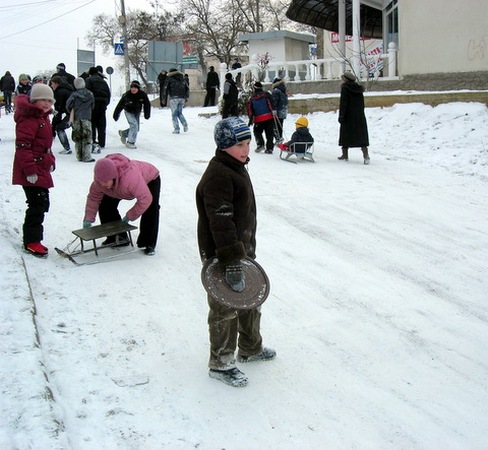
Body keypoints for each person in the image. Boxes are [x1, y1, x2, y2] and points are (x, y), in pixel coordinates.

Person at [196, 117, 276, 387]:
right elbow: (220, 221)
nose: (246, 149)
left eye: (247, 142)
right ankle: (221, 363)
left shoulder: (235, 166)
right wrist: (230, 261)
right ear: (224, 146)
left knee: (251, 298)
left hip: (240, 250)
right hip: (223, 254)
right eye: (239, 144)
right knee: (224, 307)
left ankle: (251, 347)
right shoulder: (219, 175)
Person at [83, 154, 161, 256]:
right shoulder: (100, 183)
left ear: (113, 177)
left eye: (106, 181)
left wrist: (129, 216)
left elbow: (145, 199)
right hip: (119, 188)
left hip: (149, 179)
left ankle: (148, 243)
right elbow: (93, 198)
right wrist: (88, 218)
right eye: (100, 182)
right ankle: (118, 237)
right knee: (105, 205)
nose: (103, 184)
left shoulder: (130, 178)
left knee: (150, 208)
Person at [12, 82, 56, 258]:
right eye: (43, 100)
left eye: (50, 101)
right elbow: (23, 146)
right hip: (31, 170)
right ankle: (31, 241)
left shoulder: (42, 117)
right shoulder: (29, 119)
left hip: (41, 167)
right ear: (34, 100)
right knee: (37, 205)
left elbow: (46, 145)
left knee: (42, 203)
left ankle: (34, 239)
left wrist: (51, 160)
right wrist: (30, 171)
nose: (47, 104)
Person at [337, 71, 370, 164]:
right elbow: (362, 104)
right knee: (361, 137)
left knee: (345, 135)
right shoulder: (359, 89)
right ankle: (366, 155)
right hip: (359, 116)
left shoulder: (345, 88)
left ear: (345, 79)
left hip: (348, 116)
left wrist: (342, 116)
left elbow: (344, 103)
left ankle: (345, 155)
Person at [113, 80, 151, 149]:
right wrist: (116, 115)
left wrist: (147, 114)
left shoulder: (142, 95)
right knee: (134, 125)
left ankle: (123, 133)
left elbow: (147, 105)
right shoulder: (127, 95)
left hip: (137, 112)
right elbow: (120, 105)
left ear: (138, 88)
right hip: (128, 111)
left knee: (137, 128)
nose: (133, 89)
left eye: (135, 88)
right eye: (132, 87)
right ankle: (130, 142)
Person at [66, 77, 95, 163]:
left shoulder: (74, 95)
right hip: (87, 117)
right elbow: (93, 105)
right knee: (87, 137)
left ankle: (79, 155)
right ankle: (87, 156)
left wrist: (71, 110)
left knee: (78, 137)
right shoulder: (90, 94)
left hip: (77, 118)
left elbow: (68, 105)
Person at [85, 66, 111, 153]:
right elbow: (108, 94)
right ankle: (102, 142)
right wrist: (105, 103)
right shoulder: (103, 81)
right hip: (103, 104)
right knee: (101, 123)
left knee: (92, 122)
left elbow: (87, 92)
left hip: (93, 104)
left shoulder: (89, 80)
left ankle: (92, 140)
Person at [247, 82, 275, 154]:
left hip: (259, 118)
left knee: (257, 132)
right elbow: (272, 103)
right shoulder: (266, 94)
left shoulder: (252, 98)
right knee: (269, 133)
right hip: (269, 116)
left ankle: (260, 144)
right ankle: (269, 148)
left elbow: (250, 109)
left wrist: (250, 118)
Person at [50, 75, 74, 154]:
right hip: (75, 112)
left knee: (59, 128)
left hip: (69, 114)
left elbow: (59, 107)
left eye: (52, 83)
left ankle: (67, 148)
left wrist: (56, 119)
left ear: (56, 83)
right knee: (77, 129)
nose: (51, 85)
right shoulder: (68, 89)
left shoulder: (60, 92)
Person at [162, 68, 189, 134]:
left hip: (173, 98)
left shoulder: (169, 78)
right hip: (182, 98)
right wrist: (186, 97)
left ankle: (176, 129)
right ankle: (185, 124)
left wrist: (163, 98)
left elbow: (165, 89)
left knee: (174, 114)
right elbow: (187, 88)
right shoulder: (182, 78)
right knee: (179, 113)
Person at [271, 77, 288, 144]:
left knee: (275, 126)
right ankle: (279, 137)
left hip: (277, 111)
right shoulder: (283, 89)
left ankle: (278, 139)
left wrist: (273, 109)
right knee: (280, 125)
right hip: (283, 111)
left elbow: (274, 101)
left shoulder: (276, 91)